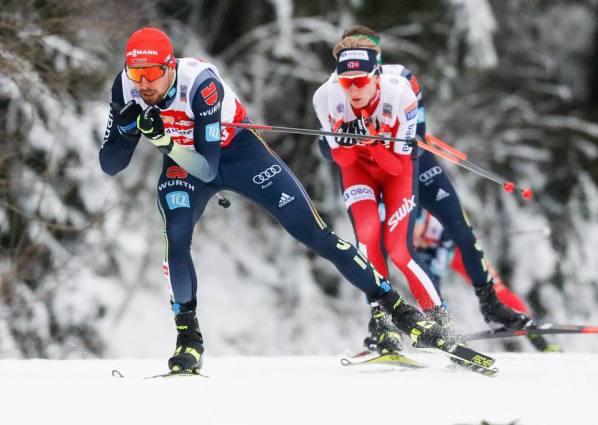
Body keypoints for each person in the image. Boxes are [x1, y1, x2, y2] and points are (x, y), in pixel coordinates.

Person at [99, 27, 450, 373]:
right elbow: (111, 164)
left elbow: (208, 169)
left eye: (152, 74)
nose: (143, 84)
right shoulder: (126, 87)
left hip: (236, 153)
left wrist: (161, 140)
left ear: (171, 66)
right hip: (182, 163)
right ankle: (188, 339)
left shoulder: (200, 84)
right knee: (175, 239)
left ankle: (398, 309)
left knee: (313, 233)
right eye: (136, 73)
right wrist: (127, 133)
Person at [317, 26, 537, 353]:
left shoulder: (403, 83)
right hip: (363, 170)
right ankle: (384, 324)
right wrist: (345, 139)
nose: (352, 86)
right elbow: (332, 152)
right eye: (344, 78)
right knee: (370, 237)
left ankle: (486, 306)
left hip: (411, 164)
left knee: (452, 230)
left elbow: (412, 148)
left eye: (372, 48)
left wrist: (378, 140)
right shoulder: (331, 93)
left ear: (376, 59)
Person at [413, 210, 561, 352]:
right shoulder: (410, 231)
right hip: (436, 258)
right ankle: (446, 336)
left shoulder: (436, 221)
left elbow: (457, 215)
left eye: (415, 230)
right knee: (427, 294)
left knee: (496, 289)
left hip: (459, 252)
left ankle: (533, 330)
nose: (414, 238)